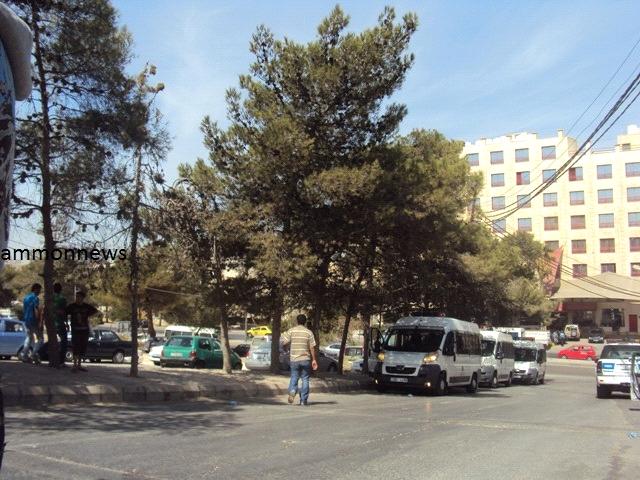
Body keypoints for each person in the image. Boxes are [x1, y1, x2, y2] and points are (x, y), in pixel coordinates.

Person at [281, 314, 318, 406]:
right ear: (305, 322)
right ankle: (303, 400)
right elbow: (312, 347)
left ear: (297, 321)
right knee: (305, 379)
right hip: (305, 359)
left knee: (294, 377)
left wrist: (286, 349)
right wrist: (314, 359)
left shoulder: (291, 331)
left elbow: (284, 342)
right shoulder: (309, 332)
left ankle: (293, 391)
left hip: (294, 359)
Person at [65, 290, 99, 372]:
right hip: (75, 330)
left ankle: (79, 365)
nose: (77, 298)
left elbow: (95, 311)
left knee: (82, 347)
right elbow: (65, 313)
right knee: (75, 347)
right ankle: (74, 365)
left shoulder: (86, 306)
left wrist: (87, 316)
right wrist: (66, 323)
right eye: (76, 297)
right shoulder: (72, 306)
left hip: (84, 330)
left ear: (83, 298)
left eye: (79, 297)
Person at [21, 283, 42, 363]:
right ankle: (33, 354)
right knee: (40, 338)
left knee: (29, 337)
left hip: (26, 321)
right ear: (35, 289)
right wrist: (38, 321)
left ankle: (24, 355)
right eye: (39, 290)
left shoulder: (26, 298)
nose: (39, 291)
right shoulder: (35, 298)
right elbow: (36, 310)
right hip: (33, 320)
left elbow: (24, 309)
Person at [53, 282, 68, 367]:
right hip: (59, 323)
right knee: (64, 342)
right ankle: (61, 361)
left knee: (52, 341)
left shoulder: (49, 298)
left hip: (51, 323)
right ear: (61, 289)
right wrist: (66, 323)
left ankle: (52, 359)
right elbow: (64, 312)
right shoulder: (62, 299)